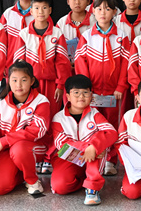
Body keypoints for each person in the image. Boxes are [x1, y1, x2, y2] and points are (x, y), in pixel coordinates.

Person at [74, 0, 130, 175]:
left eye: (107, 9)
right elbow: (80, 63)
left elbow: (126, 64)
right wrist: (86, 90)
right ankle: (94, 157)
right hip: (94, 92)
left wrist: (120, 86)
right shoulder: (87, 36)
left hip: (114, 93)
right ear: (93, 11)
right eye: (99, 9)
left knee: (112, 125)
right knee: (94, 124)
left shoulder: (122, 36)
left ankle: (111, 161)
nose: (103, 12)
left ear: (114, 12)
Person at [0, 60, 50, 196]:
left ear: (32, 81)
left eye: (24, 80)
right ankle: (21, 173)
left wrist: (5, 140)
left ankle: (32, 181)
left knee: (19, 149)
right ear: (8, 81)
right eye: (14, 80)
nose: (18, 85)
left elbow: (37, 131)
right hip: (8, 150)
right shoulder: (0, 105)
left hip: (34, 147)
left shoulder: (41, 101)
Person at [51, 75, 118, 205]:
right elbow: (61, 144)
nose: (81, 96)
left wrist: (94, 146)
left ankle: (92, 187)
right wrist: (87, 148)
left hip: (93, 158)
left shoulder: (95, 114)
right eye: (76, 93)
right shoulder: (59, 118)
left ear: (91, 96)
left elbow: (112, 133)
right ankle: (84, 179)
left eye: (85, 93)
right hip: (68, 156)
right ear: (68, 96)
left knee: (99, 143)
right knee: (60, 187)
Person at [12, 0, 71, 119]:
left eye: (44, 8)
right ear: (31, 11)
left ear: (50, 10)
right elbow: (19, 62)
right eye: (37, 8)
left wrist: (61, 85)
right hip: (30, 83)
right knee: (31, 116)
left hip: (52, 84)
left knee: (51, 115)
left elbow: (62, 62)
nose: (40, 12)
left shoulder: (57, 33)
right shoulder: (24, 34)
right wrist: (22, 83)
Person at [0, 0, 37, 67]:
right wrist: (2, 64)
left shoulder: (40, 14)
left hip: (35, 64)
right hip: (11, 64)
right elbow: (1, 43)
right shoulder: (8, 14)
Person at [56, 0, 92, 69]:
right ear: (68, 1)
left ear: (88, 1)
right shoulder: (61, 23)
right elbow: (56, 47)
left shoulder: (95, 21)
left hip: (90, 65)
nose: (77, 2)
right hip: (67, 66)